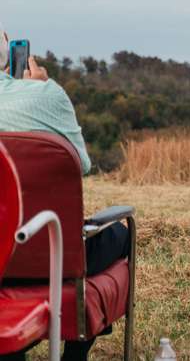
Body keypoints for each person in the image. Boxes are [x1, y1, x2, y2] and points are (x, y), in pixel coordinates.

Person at [0, 21, 129, 361]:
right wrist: (40, 89)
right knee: (120, 234)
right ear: (6, 53)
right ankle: (75, 351)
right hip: (48, 254)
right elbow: (80, 163)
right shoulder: (46, 94)